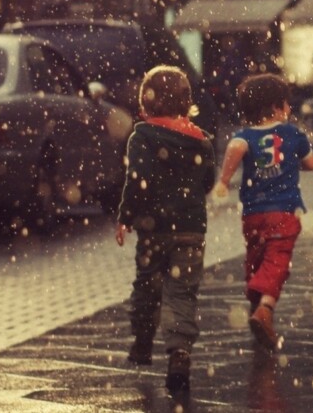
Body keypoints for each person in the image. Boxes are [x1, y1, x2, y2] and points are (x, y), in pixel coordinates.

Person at [115, 65, 216, 393]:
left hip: (154, 229)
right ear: (187, 103)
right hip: (191, 230)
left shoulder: (142, 137)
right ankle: (180, 353)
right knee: (183, 292)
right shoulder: (202, 141)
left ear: (146, 102)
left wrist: (126, 217)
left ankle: (143, 343)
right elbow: (208, 182)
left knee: (147, 286)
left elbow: (137, 182)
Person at [214, 73, 313, 352]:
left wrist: (224, 181)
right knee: (278, 260)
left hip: (253, 214)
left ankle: (255, 299)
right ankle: (264, 309)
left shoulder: (244, 136)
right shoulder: (292, 134)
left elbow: (236, 148)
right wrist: (299, 158)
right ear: (275, 107)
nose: (289, 110)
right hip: (284, 212)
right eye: (286, 105)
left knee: (256, 256)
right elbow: (311, 163)